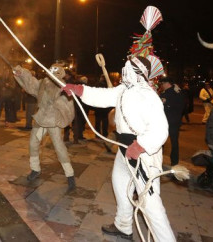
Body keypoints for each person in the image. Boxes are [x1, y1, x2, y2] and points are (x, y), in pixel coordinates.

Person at [62, 56, 176, 241]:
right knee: (120, 185)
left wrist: (140, 147)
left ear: (138, 73)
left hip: (142, 155)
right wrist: (77, 89)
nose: (124, 71)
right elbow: (103, 96)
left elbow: (160, 130)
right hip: (124, 149)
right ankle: (123, 226)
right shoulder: (124, 90)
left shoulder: (147, 95)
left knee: (150, 203)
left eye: (128, 68)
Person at [13, 63, 77, 193]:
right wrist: (21, 72)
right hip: (41, 118)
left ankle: (70, 175)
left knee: (59, 147)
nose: (52, 74)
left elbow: (67, 104)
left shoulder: (63, 87)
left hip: (53, 121)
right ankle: (35, 169)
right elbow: (31, 83)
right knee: (32, 143)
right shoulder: (43, 82)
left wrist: (59, 101)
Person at [159, 77, 185, 167]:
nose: (162, 86)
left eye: (162, 84)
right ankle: (174, 163)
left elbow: (179, 105)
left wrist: (166, 102)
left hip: (168, 122)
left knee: (161, 142)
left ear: (167, 83)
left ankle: (159, 161)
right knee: (173, 143)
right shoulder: (177, 91)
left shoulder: (172, 93)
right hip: (173, 122)